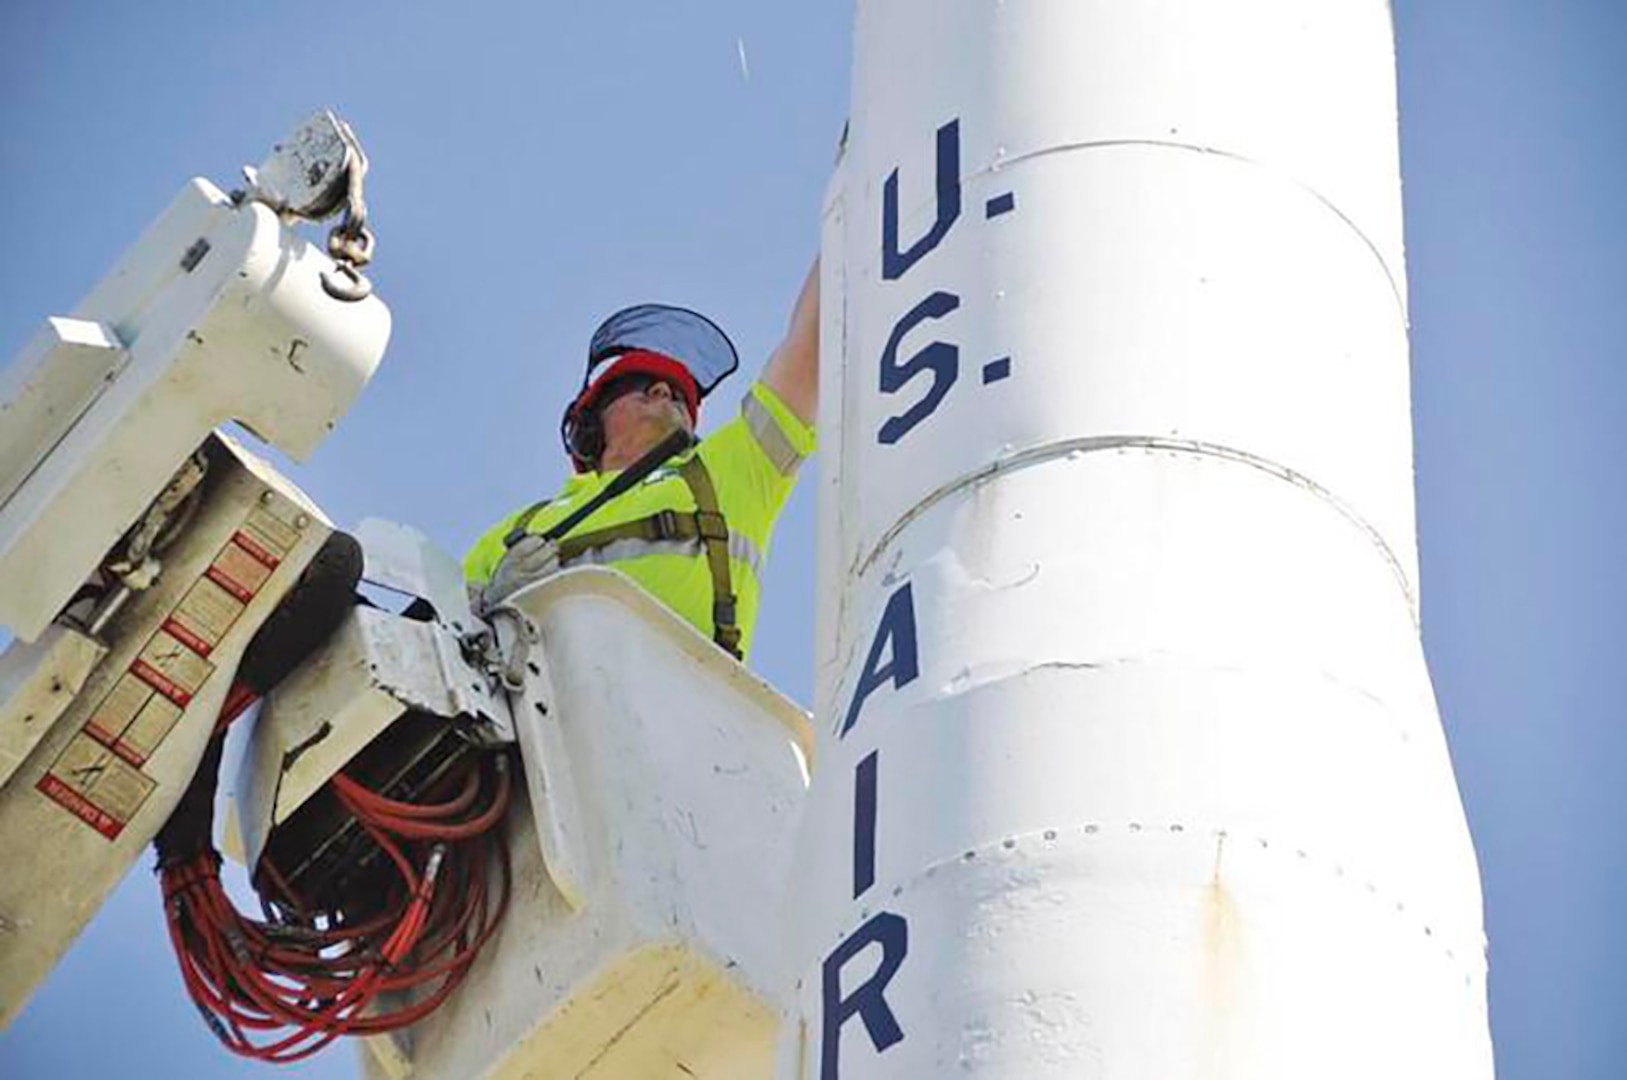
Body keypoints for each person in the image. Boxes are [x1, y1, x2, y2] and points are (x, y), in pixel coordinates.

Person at [463, 262, 819, 661]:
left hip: (682, 709)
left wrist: (858, 210)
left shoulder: (726, 472)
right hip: (545, 715)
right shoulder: (514, 532)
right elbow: (443, 637)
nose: (665, 391)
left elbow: (809, 347)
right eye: (638, 385)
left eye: (680, 396)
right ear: (590, 418)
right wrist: (491, 603)